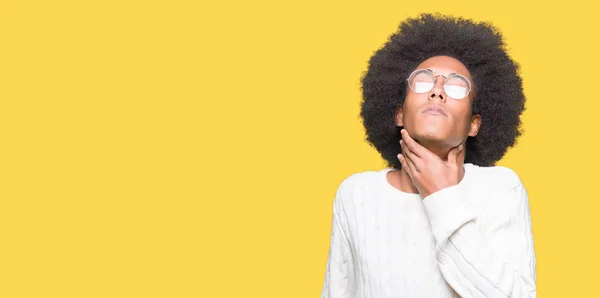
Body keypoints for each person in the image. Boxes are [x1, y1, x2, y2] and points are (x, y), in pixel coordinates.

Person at [320, 13, 537, 298]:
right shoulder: (356, 193)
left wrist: (440, 195)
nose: (437, 91)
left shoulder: (500, 188)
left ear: (474, 124)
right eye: (423, 81)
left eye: (457, 86)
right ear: (399, 113)